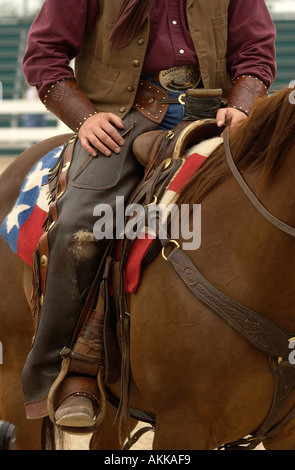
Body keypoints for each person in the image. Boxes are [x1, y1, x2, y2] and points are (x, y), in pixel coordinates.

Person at [21, 0, 276, 429]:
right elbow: (44, 54)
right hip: (123, 120)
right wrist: (84, 118)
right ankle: (69, 370)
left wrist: (244, 103)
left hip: (215, 116)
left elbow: (255, 51)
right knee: (80, 225)